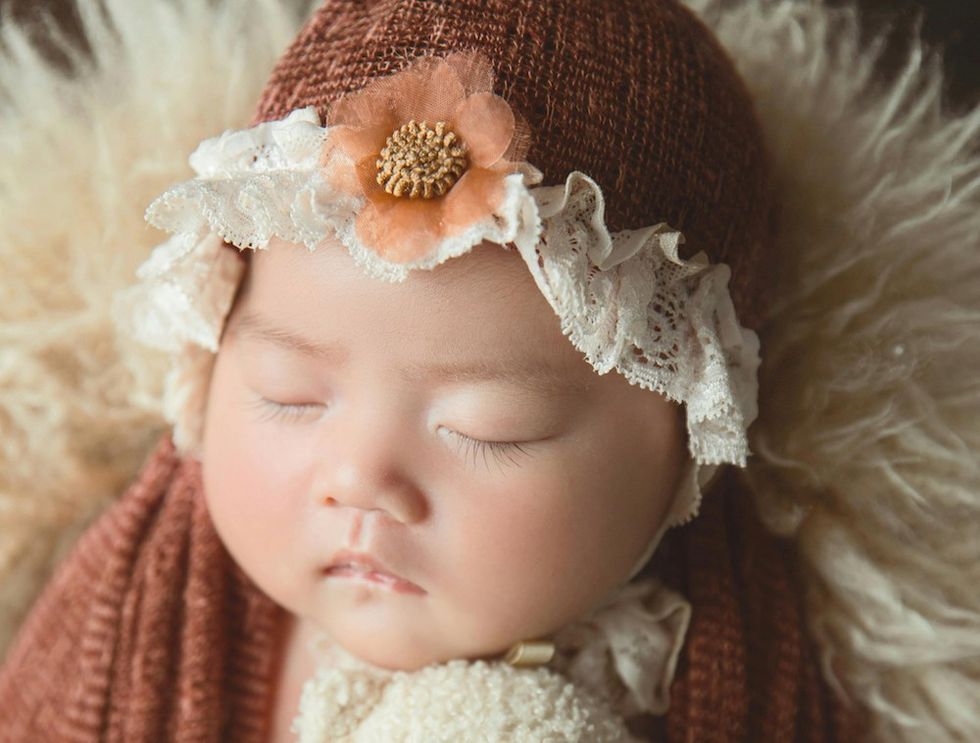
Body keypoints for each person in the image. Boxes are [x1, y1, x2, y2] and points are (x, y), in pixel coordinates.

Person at [5, 0, 975, 740]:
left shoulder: (719, 661)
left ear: (684, 446)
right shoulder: (147, 610)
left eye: (487, 427)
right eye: (288, 395)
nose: (360, 477)